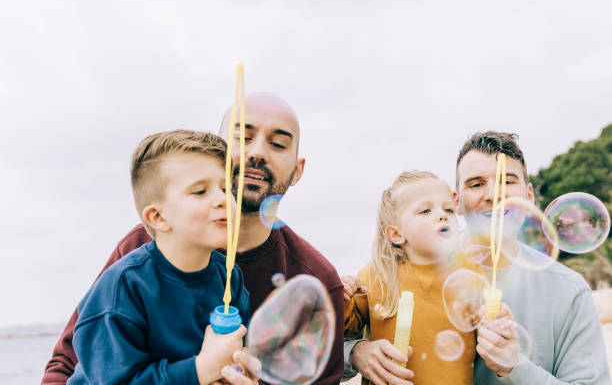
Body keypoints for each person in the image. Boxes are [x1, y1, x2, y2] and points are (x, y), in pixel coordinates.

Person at [43, 93, 344, 385]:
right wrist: (200, 371)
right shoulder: (139, 253)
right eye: (243, 138)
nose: (257, 153)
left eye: (278, 144)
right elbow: (69, 365)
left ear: (297, 170)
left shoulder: (311, 277)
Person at [344, 131, 611, 385]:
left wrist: (514, 367)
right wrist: (357, 352)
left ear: (529, 196)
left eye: (507, 181)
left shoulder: (569, 291)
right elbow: (329, 340)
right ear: (456, 202)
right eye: (476, 184)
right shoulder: (401, 267)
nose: (494, 195)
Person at [67, 130, 258, 384]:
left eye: (225, 188)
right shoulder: (122, 289)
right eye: (200, 191)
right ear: (157, 217)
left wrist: (240, 374)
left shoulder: (230, 277)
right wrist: (200, 369)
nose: (222, 199)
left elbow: (230, 361)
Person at [343, 170, 485, 385]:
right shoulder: (377, 273)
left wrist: (496, 318)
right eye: (426, 210)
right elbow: (346, 332)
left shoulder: (470, 267)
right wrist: (342, 297)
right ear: (396, 234)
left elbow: (487, 322)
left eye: (448, 209)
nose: (442, 215)